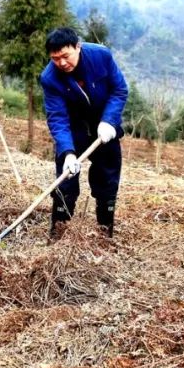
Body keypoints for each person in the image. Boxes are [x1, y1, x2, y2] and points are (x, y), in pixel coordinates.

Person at [40, 27, 128, 240]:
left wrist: (109, 121)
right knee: (65, 182)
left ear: (77, 46)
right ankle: (58, 233)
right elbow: (58, 118)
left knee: (107, 180)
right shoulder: (49, 78)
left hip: (104, 129)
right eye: (55, 58)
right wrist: (68, 153)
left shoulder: (101, 56)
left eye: (65, 56)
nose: (62, 63)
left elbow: (119, 90)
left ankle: (105, 231)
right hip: (74, 130)